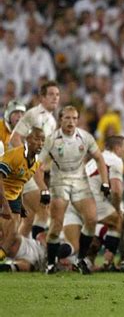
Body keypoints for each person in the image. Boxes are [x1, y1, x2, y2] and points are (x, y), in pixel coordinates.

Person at [34, 106, 109, 274]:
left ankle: (81, 260)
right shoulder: (51, 139)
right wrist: (43, 189)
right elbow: (36, 166)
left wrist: (105, 182)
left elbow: (99, 159)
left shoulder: (85, 137)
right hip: (59, 182)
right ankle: (51, 263)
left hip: (80, 183)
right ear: (61, 119)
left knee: (91, 219)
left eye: (74, 118)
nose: (71, 122)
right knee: (56, 224)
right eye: (67, 118)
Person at [57, 135, 124, 271]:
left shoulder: (94, 160)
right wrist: (117, 209)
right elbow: (117, 191)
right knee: (118, 220)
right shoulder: (115, 160)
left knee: (73, 246)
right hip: (89, 200)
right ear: (117, 147)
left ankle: (55, 254)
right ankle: (109, 262)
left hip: (72, 200)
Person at [9, 81, 60, 239]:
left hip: (34, 171)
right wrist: (28, 161)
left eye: (57, 95)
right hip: (23, 170)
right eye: (51, 94)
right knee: (44, 208)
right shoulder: (34, 114)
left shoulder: (51, 121)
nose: (55, 98)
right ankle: (39, 253)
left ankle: (15, 257)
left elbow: (46, 152)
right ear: (42, 98)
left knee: (29, 218)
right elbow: (15, 138)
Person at [0, 127, 45, 261]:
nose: (40, 143)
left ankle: (2, 255)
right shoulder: (14, 155)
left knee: (12, 230)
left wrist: (21, 205)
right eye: (37, 139)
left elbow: (20, 183)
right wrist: (5, 206)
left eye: (43, 140)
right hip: (2, 193)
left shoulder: (35, 162)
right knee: (10, 229)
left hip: (13, 196)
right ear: (27, 140)